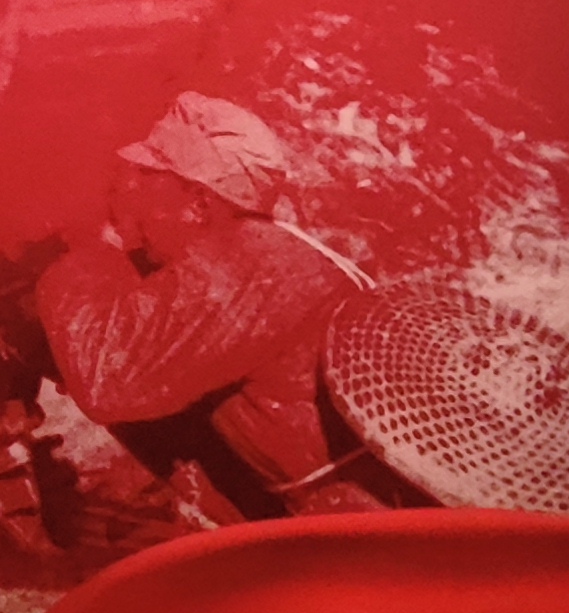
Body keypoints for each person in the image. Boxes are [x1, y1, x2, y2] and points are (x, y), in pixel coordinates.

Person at [32, 92, 370, 521]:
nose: (131, 198)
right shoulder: (277, 253)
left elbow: (105, 378)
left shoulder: (248, 265)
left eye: (148, 181)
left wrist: (90, 248)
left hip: (358, 525)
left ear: (199, 204)